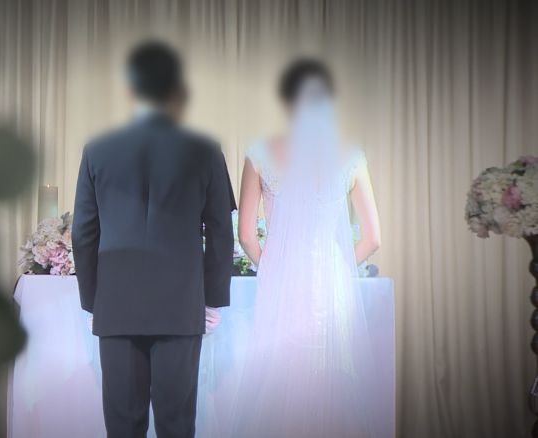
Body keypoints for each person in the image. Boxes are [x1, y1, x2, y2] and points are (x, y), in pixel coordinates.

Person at [71, 40, 236, 438]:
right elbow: (219, 231)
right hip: (180, 306)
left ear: (129, 89)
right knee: (177, 424)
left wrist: (93, 301)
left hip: (117, 305)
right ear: (177, 91)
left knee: (123, 425)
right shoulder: (206, 150)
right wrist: (213, 298)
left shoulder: (97, 150)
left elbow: (83, 233)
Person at [231, 58, 386, 436]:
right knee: (331, 379)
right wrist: (338, 266)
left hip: (282, 282)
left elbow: (246, 235)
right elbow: (373, 238)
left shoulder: (259, 153)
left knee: (279, 377)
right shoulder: (351, 155)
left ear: (286, 101)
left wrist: (272, 265)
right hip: (332, 282)